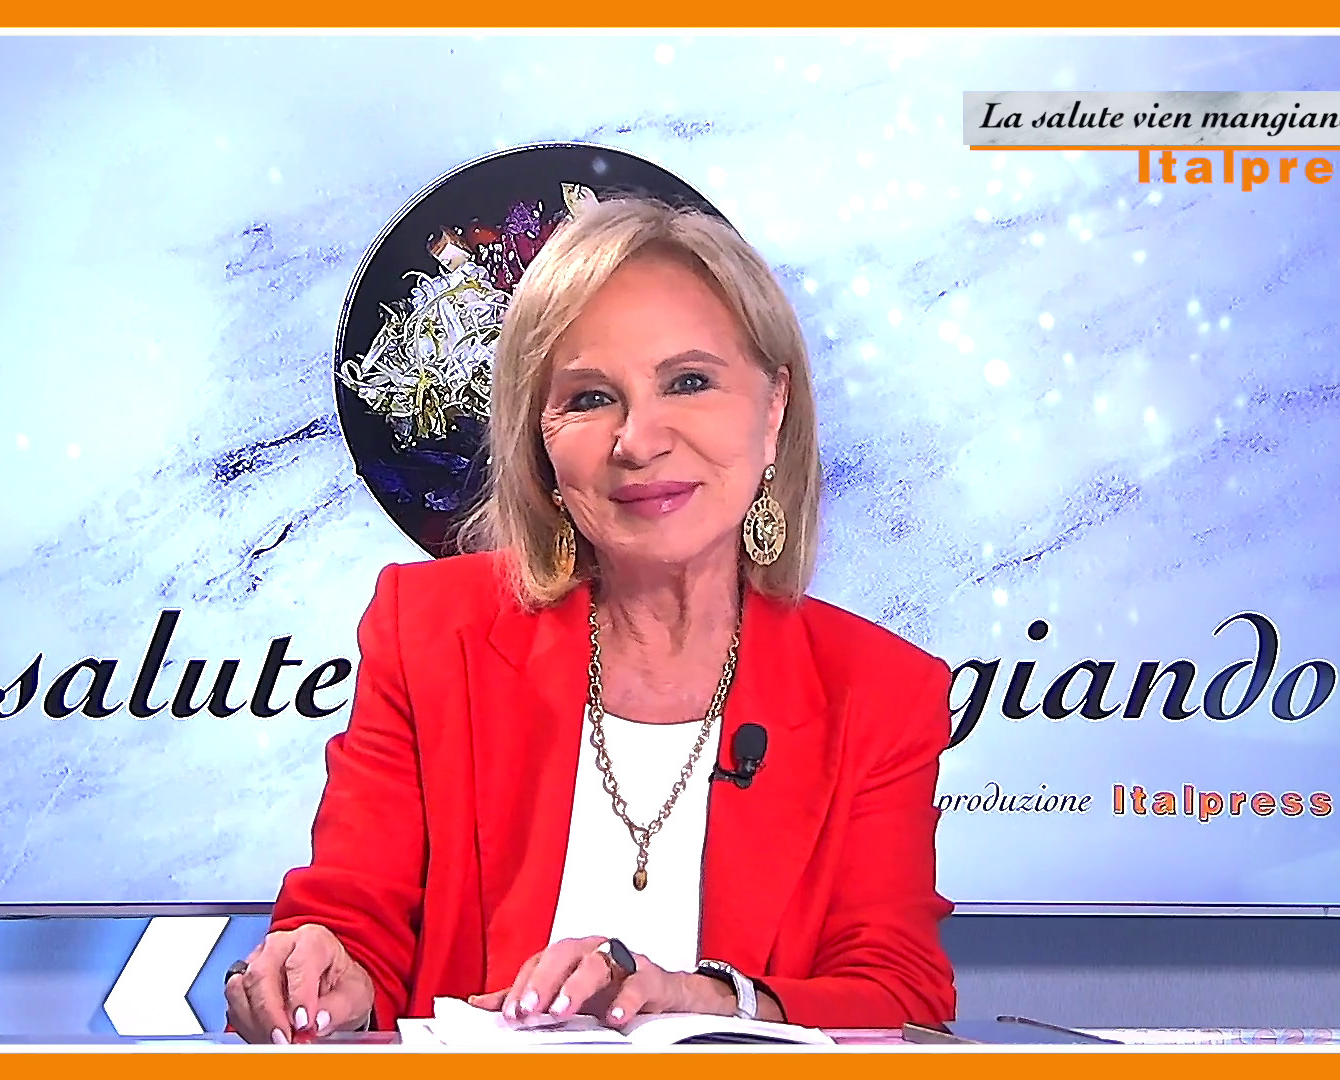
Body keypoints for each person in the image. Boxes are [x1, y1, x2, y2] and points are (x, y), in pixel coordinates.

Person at [225, 195, 956, 1044]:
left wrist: (708, 1000)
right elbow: (355, 923)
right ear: (539, 440)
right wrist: (328, 976)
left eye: (690, 382)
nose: (638, 440)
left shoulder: (878, 691)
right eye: (590, 397)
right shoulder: (429, 633)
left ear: (773, 409)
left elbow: (900, 998)